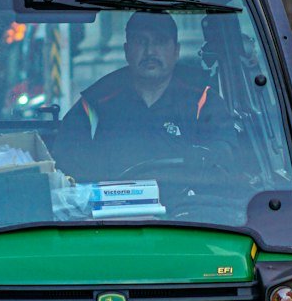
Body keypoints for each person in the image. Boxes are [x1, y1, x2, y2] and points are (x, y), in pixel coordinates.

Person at [51, 11, 235, 183]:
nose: (150, 52)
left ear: (176, 51)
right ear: (126, 50)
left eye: (161, 42)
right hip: (113, 213)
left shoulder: (202, 100)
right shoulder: (95, 103)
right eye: (141, 42)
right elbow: (64, 166)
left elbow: (224, 159)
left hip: (189, 212)